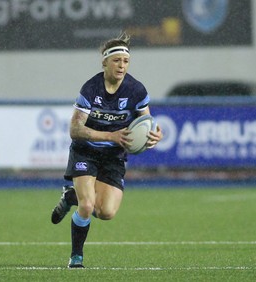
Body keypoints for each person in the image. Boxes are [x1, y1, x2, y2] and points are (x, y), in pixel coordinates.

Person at [50, 32, 163, 268]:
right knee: (88, 205)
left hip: (114, 155)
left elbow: (147, 122)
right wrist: (110, 135)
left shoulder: (136, 90)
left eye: (125, 61)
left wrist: (154, 135)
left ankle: (71, 196)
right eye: (116, 61)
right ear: (104, 62)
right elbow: (75, 129)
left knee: (106, 212)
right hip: (86, 151)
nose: (122, 66)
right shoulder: (91, 89)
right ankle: (76, 257)